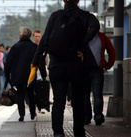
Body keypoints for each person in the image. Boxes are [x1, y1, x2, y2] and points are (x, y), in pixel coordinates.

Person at [31, 0, 100, 136]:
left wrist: (35, 60)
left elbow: (45, 38)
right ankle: (79, 132)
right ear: (78, 1)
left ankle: (58, 133)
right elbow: (95, 26)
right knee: (78, 101)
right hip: (78, 65)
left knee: (58, 101)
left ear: (63, 1)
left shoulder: (55, 16)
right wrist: (82, 45)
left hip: (57, 65)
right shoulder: (85, 16)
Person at [5, 27, 37, 122]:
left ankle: (21, 115)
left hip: (18, 75)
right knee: (31, 94)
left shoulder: (15, 47)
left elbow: (8, 63)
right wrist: (43, 75)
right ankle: (32, 113)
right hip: (31, 75)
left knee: (20, 95)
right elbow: (39, 61)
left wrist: (7, 75)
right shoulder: (34, 47)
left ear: (21, 35)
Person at [84, 31, 116, 125]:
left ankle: (98, 115)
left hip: (97, 70)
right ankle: (87, 116)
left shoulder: (102, 37)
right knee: (85, 95)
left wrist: (107, 66)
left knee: (97, 93)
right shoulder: (82, 35)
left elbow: (111, 51)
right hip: (84, 70)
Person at [32, 29, 48, 114]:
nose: (37, 38)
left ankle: (41, 106)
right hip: (33, 72)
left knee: (40, 90)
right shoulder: (31, 47)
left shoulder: (43, 47)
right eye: (36, 36)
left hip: (41, 72)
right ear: (33, 37)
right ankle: (35, 106)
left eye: (39, 36)